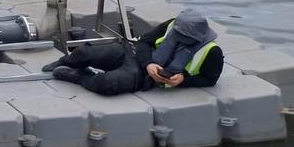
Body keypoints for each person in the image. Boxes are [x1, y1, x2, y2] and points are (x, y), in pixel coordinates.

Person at [44, 10, 222, 96]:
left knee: (107, 84)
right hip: (134, 54)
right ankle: (65, 61)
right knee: (84, 52)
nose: (178, 36)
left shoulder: (212, 52)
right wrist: (149, 63)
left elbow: (210, 79)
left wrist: (183, 79)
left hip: (142, 76)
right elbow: (144, 41)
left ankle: (80, 77)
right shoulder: (171, 25)